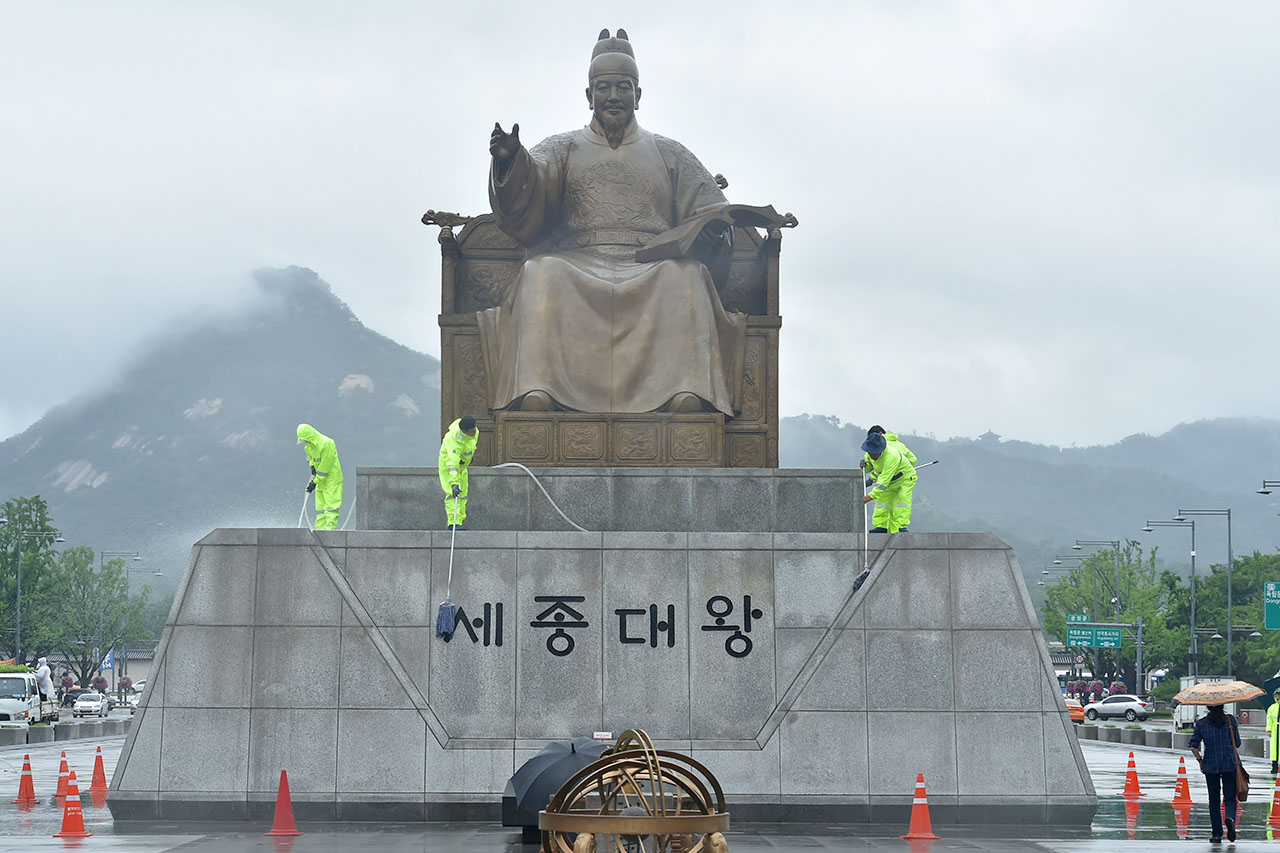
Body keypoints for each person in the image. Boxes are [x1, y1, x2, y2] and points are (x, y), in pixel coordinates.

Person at [479, 29, 752, 416]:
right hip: (578, 260)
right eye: (603, 88)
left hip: (651, 263)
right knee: (541, 273)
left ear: (638, 95)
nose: (613, 97)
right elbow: (530, 191)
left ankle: (686, 391)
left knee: (686, 277)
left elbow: (710, 208)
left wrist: (712, 228)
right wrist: (510, 161)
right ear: (588, 95)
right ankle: (538, 389)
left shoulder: (670, 153)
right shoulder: (562, 147)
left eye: (623, 88)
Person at [1190, 703, 1241, 842]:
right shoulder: (1230, 720)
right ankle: (1230, 818)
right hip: (1229, 763)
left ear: (1208, 707)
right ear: (1223, 706)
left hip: (1210, 765)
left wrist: (1200, 760)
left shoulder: (1201, 723)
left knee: (1214, 800)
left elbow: (1193, 746)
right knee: (1230, 797)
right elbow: (1237, 743)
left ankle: (1217, 834)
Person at [860, 431, 917, 533]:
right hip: (890, 481)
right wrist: (864, 466)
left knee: (901, 502)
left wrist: (870, 496)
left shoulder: (891, 456)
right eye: (870, 452)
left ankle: (900, 527)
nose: (872, 455)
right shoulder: (869, 454)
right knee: (882, 502)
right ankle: (881, 526)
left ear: (881, 449)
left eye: (874, 452)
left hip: (904, 478)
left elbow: (883, 480)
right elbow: (870, 468)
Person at [297, 424, 343, 530]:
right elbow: (311, 457)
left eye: (306, 441)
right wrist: (312, 466)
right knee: (320, 509)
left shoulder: (327, 443)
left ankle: (329, 533)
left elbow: (326, 466)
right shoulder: (309, 445)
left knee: (331, 507)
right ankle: (320, 532)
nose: (305, 443)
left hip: (332, 479)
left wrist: (315, 481)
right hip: (320, 480)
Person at [439, 416, 478, 530]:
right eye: (472, 431)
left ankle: (459, 521)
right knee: (453, 494)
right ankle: (453, 523)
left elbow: (472, 444)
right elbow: (452, 464)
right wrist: (454, 483)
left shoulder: (474, 431)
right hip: (449, 467)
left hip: (462, 467)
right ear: (464, 431)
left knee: (463, 494)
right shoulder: (453, 441)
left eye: (475, 428)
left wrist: (469, 458)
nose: (475, 432)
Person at [1269, 687, 1280, 773]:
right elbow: (1269, 719)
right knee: (1274, 749)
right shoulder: (1272, 708)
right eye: (1278, 694)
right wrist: (1269, 730)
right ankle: (1274, 765)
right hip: (1275, 730)